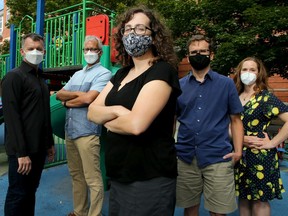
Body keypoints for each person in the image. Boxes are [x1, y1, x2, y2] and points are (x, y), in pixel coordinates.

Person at [87, 6, 181, 216]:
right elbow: (92, 112)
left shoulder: (161, 70)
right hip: (120, 174)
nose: (132, 34)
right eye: (128, 29)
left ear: (154, 35)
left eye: (140, 29)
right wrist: (120, 111)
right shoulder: (121, 74)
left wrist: (108, 119)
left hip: (149, 176)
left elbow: (136, 125)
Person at [175, 34, 244, 216]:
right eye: (194, 52)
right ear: (188, 57)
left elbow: (236, 120)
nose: (198, 55)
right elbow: (172, 121)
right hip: (186, 157)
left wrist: (238, 151)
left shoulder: (227, 84)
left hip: (218, 156)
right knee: (189, 208)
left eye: (203, 51)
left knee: (218, 211)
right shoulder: (178, 86)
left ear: (211, 55)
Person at [56, 35, 112, 216]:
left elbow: (89, 99)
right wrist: (74, 98)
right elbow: (59, 95)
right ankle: (80, 211)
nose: (89, 53)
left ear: (100, 52)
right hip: (71, 131)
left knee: (93, 178)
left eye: (93, 49)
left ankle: (94, 214)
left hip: (87, 132)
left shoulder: (104, 73)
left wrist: (70, 99)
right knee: (76, 176)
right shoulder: (78, 74)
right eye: (86, 49)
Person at [1, 33, 55, 216]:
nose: (35, 52)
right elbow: (12, 118)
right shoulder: (13, 77)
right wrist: (21, 153)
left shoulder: (41, 80)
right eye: (31, 48)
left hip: (38, 148)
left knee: (30, 192)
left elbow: (45, 115)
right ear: (22, 51)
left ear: (44, 52)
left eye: (39, 49)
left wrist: (49, 144)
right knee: (18, 194)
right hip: (22, 151)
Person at [233, 57, 288, 216]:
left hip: (260, 156)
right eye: (244, 69)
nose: (248, 73)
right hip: (239, 154)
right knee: (243, 198)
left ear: (259, 73)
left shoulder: (265, 98)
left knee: (259, 200)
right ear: (239, 72)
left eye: (252, 70)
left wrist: (273, 143)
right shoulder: (234, 96)